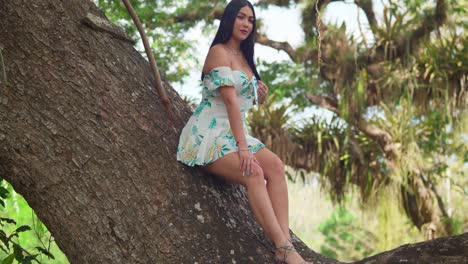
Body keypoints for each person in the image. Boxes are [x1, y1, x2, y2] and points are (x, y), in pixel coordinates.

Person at [176, 1, 312, 263]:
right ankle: (286, 249)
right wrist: (243, 148)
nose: (246, 24)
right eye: (241, 17)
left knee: (275, 166)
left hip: (233, 133)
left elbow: (242, 101)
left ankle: (284, 245)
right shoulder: (218, 52)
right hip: (207, 136)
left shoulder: (246, 58)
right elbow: (229, 102)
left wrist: (259, 96)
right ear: (229, 19)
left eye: (250, 20)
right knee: (254, 172)